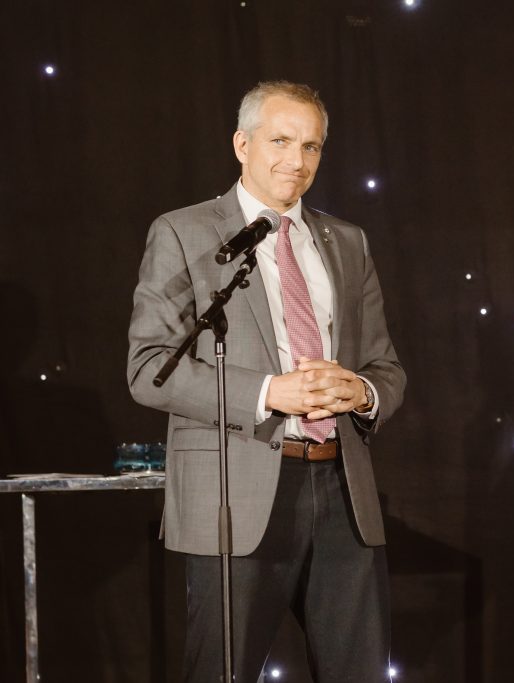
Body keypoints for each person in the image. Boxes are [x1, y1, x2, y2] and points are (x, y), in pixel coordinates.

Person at [127, 81, 405, 682]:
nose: (296, 161)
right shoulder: (184, 232)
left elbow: (386, 367)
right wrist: (266, 393)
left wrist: (359, 391)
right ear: (241, 144)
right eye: (280, 141)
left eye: (311, 146)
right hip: (238, 490)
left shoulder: (348, 242)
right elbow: (150, 370)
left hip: (341, 490)